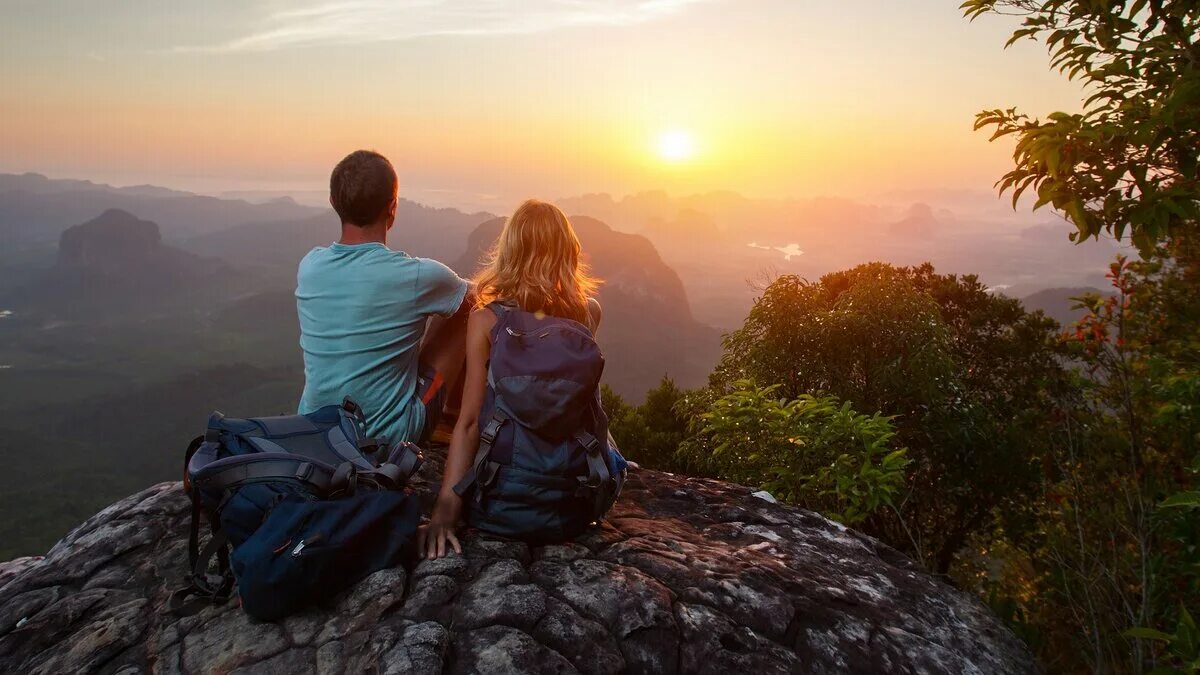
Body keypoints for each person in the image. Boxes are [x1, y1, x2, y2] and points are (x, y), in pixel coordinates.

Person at [417, 199, 604, 559]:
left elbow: (470, 421)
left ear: (510, 251)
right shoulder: (588, 313)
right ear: (568, 251)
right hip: (573, 506)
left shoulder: (486, 319)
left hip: (500, 504)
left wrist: (446, 508)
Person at [296, 150, 472, 448]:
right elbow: (482, 296)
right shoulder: (417, 276)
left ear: (334, 203)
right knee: (466, 312)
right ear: (392, 207)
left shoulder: (309, 266)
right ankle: (455, 421)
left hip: (314, 433)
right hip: (386, 439)